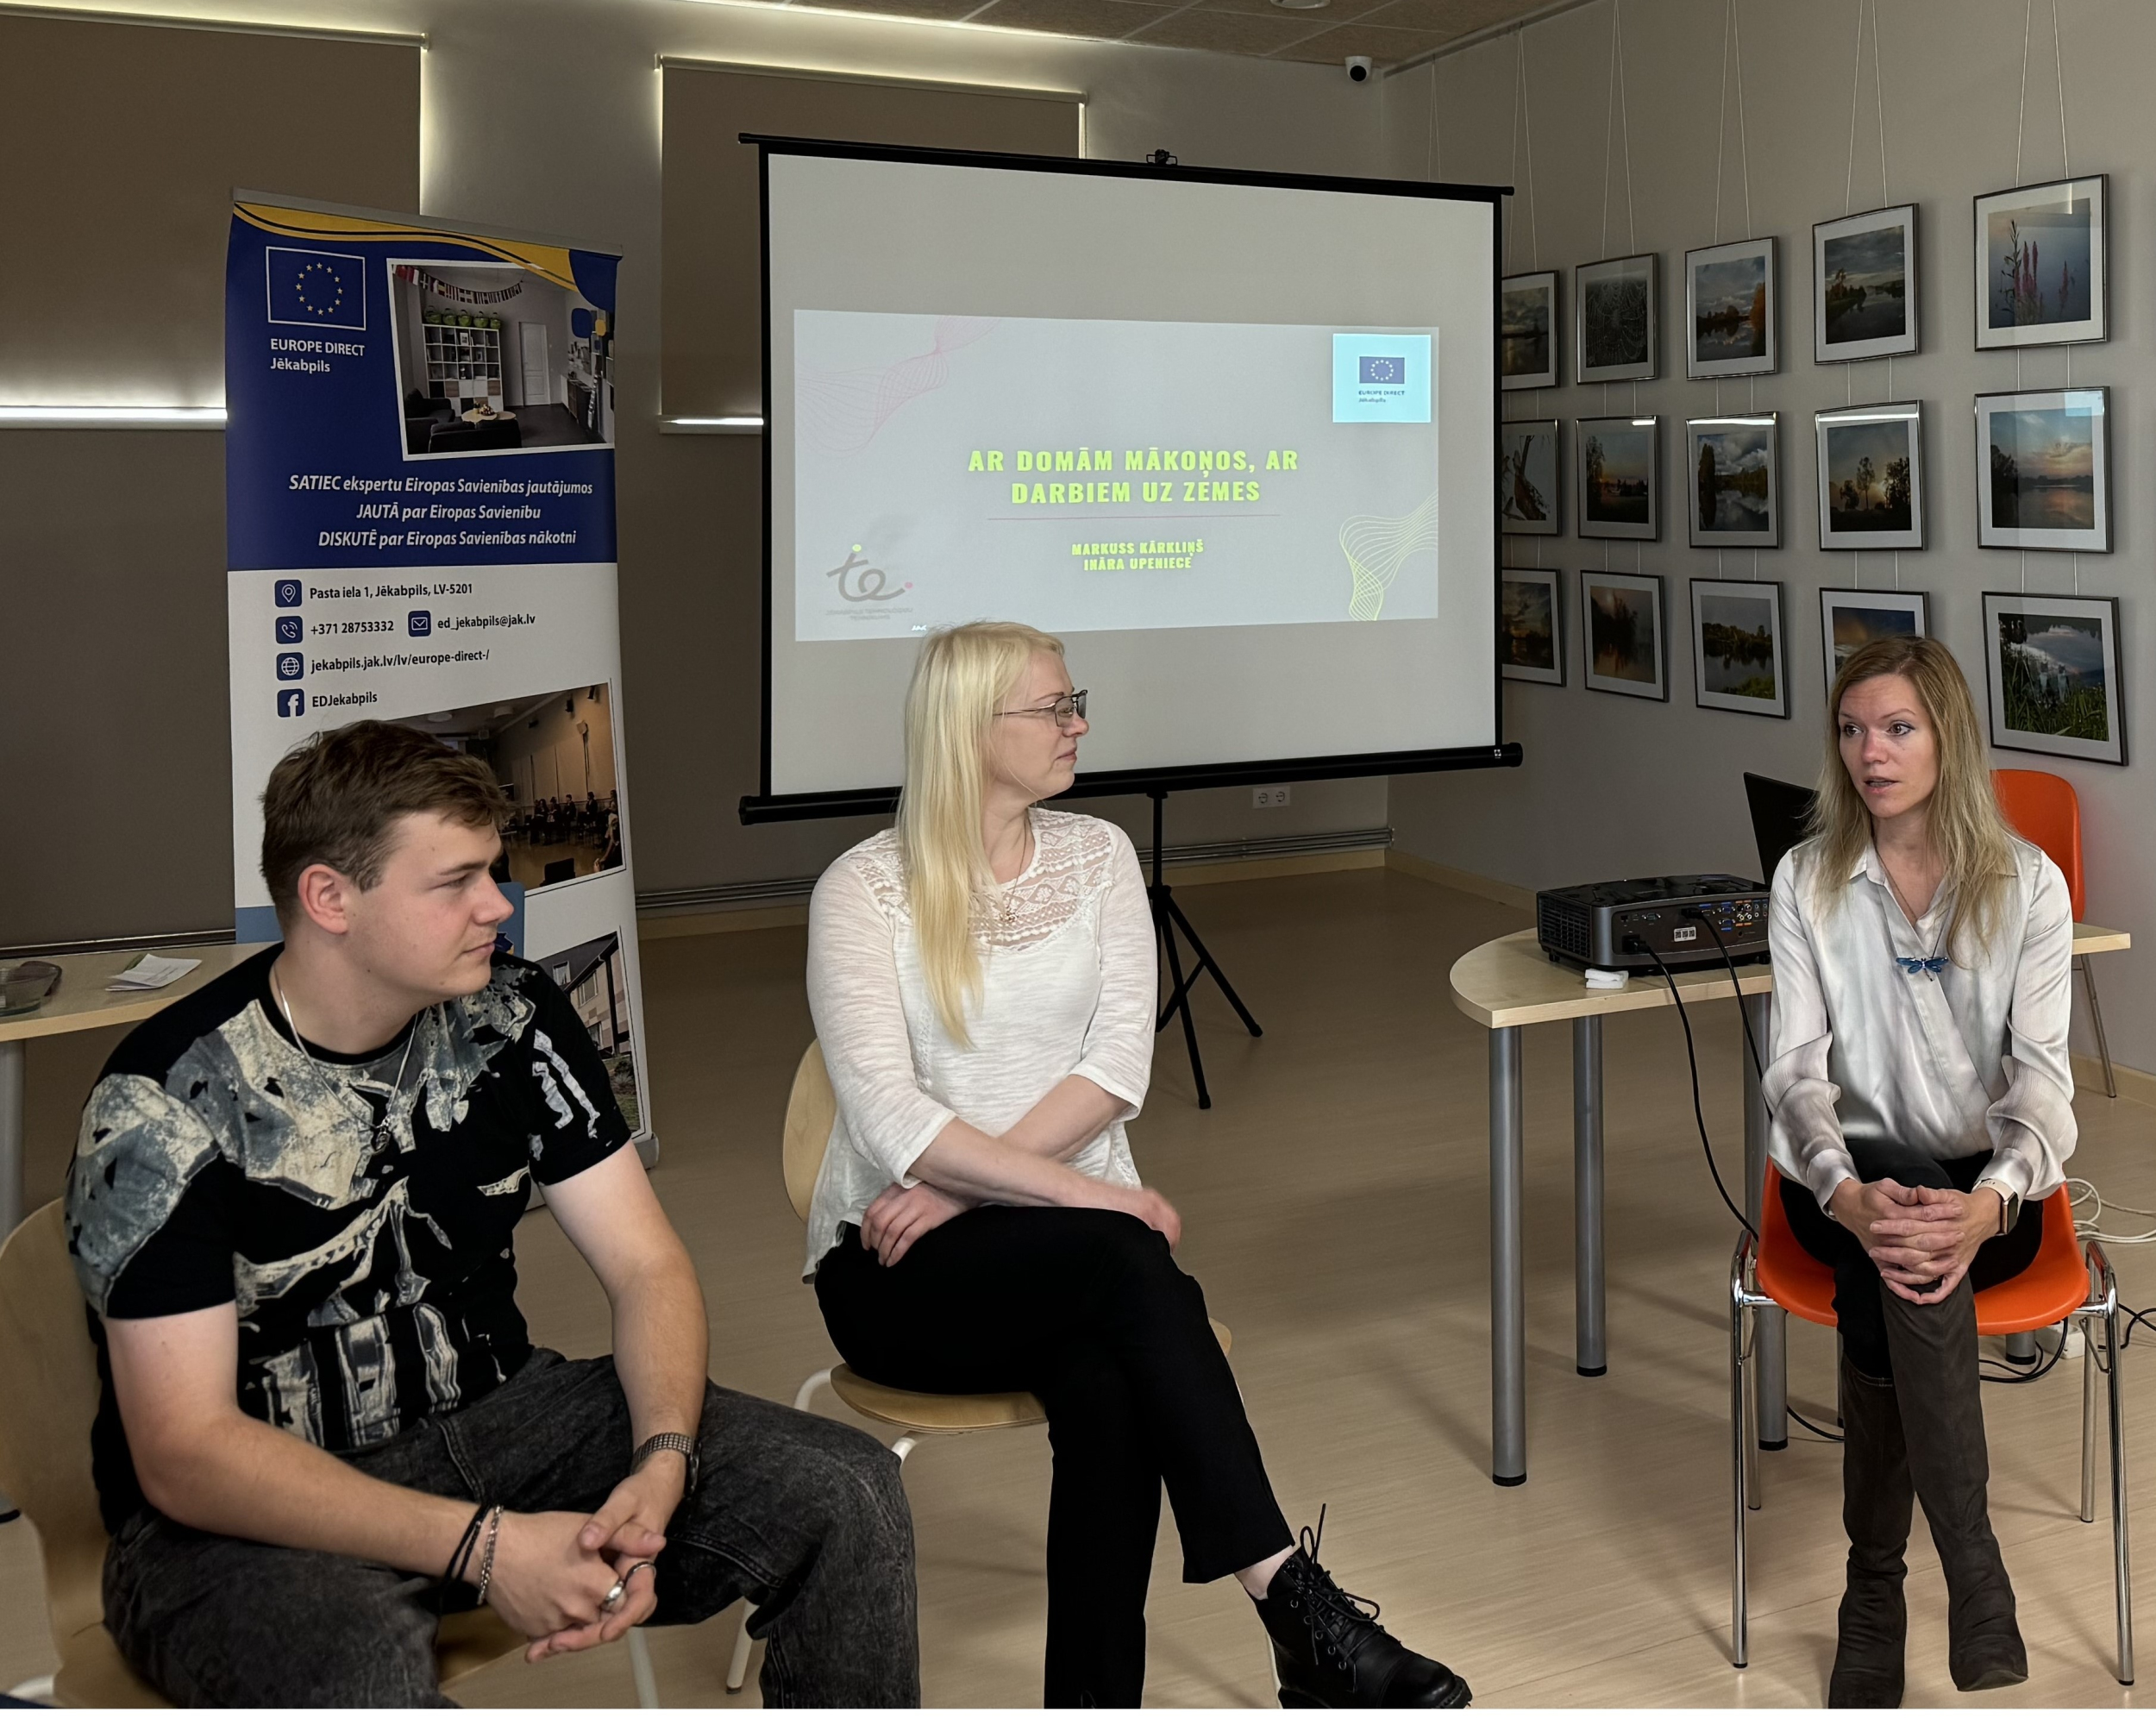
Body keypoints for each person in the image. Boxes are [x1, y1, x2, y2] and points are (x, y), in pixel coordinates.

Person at [67, 721, 918, 1708]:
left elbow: (645, 1264)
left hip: (500, 1417)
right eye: (455, 881)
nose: (498, 903)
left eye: (492, 869)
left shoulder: (512, 1013)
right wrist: (488, 1546)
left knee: (847, 1492)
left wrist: (662, 1457)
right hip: (250, 1501)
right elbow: (186, 1453)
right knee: (358, 1664)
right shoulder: (165, 1098)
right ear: (329, 897)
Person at [805, 621, 1471, 1709]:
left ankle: (1152, 1676)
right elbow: (887, 1112)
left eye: (1077, 702)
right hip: (893, 1262)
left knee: (1112, 1379)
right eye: (1054, 707)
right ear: (968, 728)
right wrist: (1092, 1192)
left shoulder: (1100, 853)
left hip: (1047, 1246)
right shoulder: (862, 887)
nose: (1078, 724)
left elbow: (1117, 1068)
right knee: (1126, 1259)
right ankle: (1297, 1607)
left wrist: (967, 1185)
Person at [1764, 636, 2073, 1707]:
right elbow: (1796, 1074)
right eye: (1852, 730)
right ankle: (1974, 1570)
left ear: (1948, 737)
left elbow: (2041, 1084)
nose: (1871, 753)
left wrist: (1986, 1205)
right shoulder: (1805, 878)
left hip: (1991, 1200)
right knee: (1889, 1205)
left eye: (1897, 727)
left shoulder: (2028, 885)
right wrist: (1845, 1191)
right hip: (1836, 1189)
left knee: (1898, 1258)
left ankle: (1874, 1588)